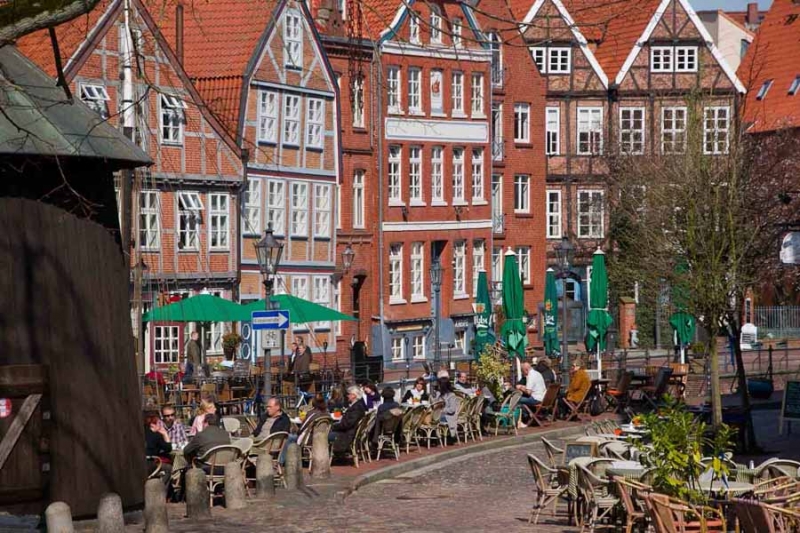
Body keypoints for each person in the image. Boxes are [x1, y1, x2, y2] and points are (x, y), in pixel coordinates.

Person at [330, 385, 367, 456]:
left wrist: (334, 426)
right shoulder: (358, 405)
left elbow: (348, 424)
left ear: (353, 395)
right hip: (349, 432)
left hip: (346, 434)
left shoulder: (356, 407)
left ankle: (324, 457)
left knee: (323, 436)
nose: (347, 396)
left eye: (349, 394)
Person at [144, 413, 173, 486]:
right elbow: (168, 448)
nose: (161, 425)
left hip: (137, 463)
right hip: (149, 465)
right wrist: (165, 434)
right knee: (168, 468)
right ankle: (161, 490)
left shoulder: (141, 432)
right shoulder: (156, 435)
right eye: (159, 423)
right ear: (153, 424)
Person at [517, 361, 547, 427]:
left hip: (536, 399)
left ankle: (522, 420)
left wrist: (520, 387)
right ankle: (529, 417)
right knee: (523, 400)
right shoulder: (537, 373)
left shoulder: (530, 376)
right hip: (543, 398)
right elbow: (532, 388)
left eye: (523, 371)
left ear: (526, 370)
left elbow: (528, 392)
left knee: (517, 400)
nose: (523, 373)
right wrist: (523, 387)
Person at [437, 378, 460, 442]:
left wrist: (442, 411)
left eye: (439, 385)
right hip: (439, 414)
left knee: (433, 419)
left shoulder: (451, 396)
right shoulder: (439, 394)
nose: (437, 387)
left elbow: (452, 409)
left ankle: (435, 436)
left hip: (448, 416)